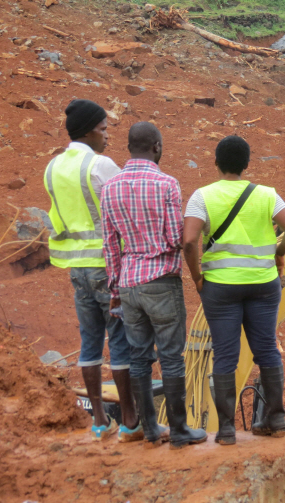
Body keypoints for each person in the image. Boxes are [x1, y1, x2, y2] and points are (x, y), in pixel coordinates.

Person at [183, 135, 285, 445]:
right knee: (266, 350)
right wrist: (278, 253)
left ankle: (225, 430)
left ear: (217, 163)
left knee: (225, 356)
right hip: (263, 285)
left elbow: (189, 241)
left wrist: (197, 277)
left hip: (220, 289)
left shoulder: (201, 196)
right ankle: (276, 419)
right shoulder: (266, 195)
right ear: (247, 164)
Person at [101, 122, 207, 449]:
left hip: (128, 282)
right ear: (157, 147)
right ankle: (178, 431)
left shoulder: (110, 187)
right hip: (161, 280)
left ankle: (149, 429)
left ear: (129, 147)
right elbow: (176, 238)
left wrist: (115, 293)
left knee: (139, 358)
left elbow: (110, 246)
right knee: (172, 357)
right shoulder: (167, 184)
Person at [43, 99, 139, 441]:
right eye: (102, 129)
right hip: (107, 266)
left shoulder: (52, 167)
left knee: (89, 342)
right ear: (87, 132)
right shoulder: (100, 166)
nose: (106, 136)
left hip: (76, 268)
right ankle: (129, 419)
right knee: (120, 340)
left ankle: (100, 421)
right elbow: (125, 210)